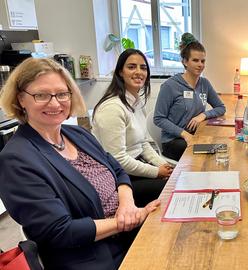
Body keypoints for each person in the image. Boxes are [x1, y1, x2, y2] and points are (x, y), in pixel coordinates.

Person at [0, 58, 159, 270]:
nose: (55, 103)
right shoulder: (16, 159)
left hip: (125, 235)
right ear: (21, 99)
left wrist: (128, 205)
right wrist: (126, 221)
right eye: (41, 95)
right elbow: (60, 231)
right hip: (92, 257)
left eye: (62, 94)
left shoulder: (78, 134)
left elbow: (118, 171)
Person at [92, 49, 173, 207]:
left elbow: (143, 144)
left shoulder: (136, 103)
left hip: (136, 167)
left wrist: (163, 166)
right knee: (171, 189)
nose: (139, 72)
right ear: (120, 72)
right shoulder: (112, 108)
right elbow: (118, 159)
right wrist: (156, 172)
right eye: (131, 67)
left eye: (143, 68)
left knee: (175, 178)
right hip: (118, 179)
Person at [153, 33, 226, 161]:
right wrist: (184, 134)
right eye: (195, 60)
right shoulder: (170, 86)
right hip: (174, 141)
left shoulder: (204, 83)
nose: (200, 65)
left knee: (222, 145)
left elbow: (221, 107)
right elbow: (158, 119)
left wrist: (203, 115)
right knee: (211, 154)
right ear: (185, 62)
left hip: (196, 135)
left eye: (203, 61)